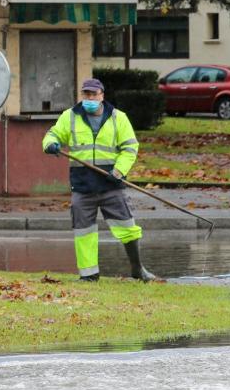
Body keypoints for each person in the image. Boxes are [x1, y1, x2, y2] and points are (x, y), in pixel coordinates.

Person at [42, 78, 156, 282]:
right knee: (83, 231)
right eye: (86, 94)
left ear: (102, 96)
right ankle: (89, 275)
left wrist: (119, 171)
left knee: (128, 227)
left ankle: (137, 268)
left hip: (110, 184)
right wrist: (50, 144)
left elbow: (130, 148)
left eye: (93, 94)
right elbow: (53, 134)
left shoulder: (118, 118)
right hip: (82, 185)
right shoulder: (70, 117)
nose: (89, 98)